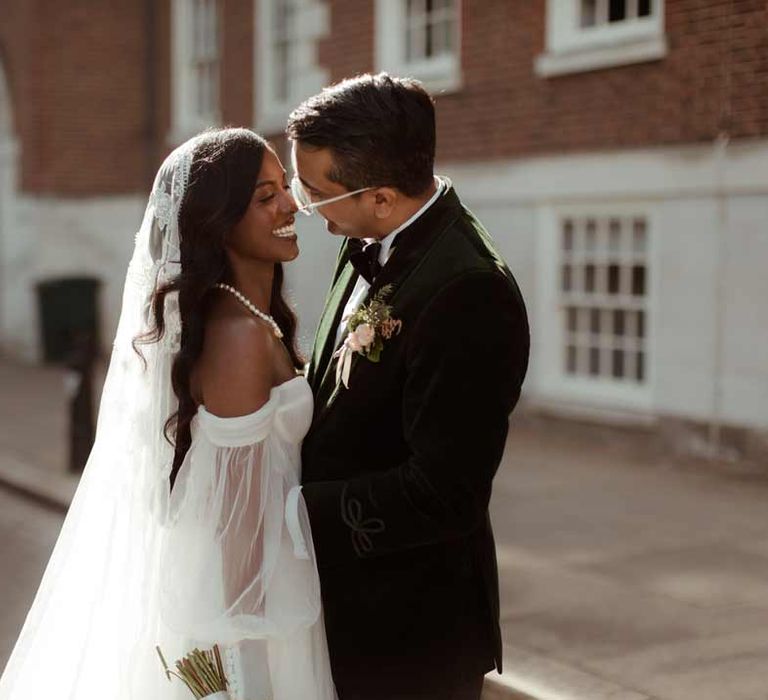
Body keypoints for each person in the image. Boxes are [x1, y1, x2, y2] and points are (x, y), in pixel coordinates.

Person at [0, 128, 336, 700]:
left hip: (270, 583)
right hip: (247, 608)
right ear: (219, 220)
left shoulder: (252, 317)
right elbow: (237, 525)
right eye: (264, 197)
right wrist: (243, 673)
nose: (290, 205)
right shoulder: (238, 336)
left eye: (286, 187)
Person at [287, 73, 530, 700]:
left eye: (313, 193)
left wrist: (293, 511)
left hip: (414, 630)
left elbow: (444, 493)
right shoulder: (366, 234)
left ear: (383, 198)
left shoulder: (470, 290)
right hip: (348, 606)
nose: (304, 207)